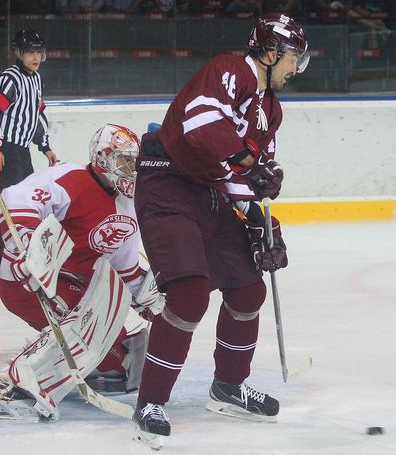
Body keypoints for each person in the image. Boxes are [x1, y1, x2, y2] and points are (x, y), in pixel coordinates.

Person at [131, 14, 308, 448]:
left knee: (249, 290)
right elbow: (200, 127)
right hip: (168, 183)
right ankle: (150, 401)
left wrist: (262, 223)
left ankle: (228, 387)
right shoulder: (229, 70)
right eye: (292, 58)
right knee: (190, 294)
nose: (295, 68)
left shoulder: (271, 108)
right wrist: (253, 167)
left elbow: (246, 179)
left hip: (210, 192)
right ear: (270, 52)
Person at [0, 123, 164, 421]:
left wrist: (148, 300)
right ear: (102, 157)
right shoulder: (70, 178)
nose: (130, 169)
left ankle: (66, 357)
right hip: (28, 280)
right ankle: (10, 384)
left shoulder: (127, 204)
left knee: (119, 362)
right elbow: (14, 198)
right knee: (84, 332)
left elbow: (123, 266)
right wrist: (25, 242)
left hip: (75, 285)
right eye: (123, 161)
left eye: (133, 162)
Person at [0, 29, 58, 278]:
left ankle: (17, 260)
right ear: (18, 53)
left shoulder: (36, 79)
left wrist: (45, 146)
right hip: (5, 150)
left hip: (21, 151)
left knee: (25, 205)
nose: (35, 57)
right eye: (30, 52)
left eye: (39, 52)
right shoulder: (9, 78)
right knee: (2, 207)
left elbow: (36, 115)